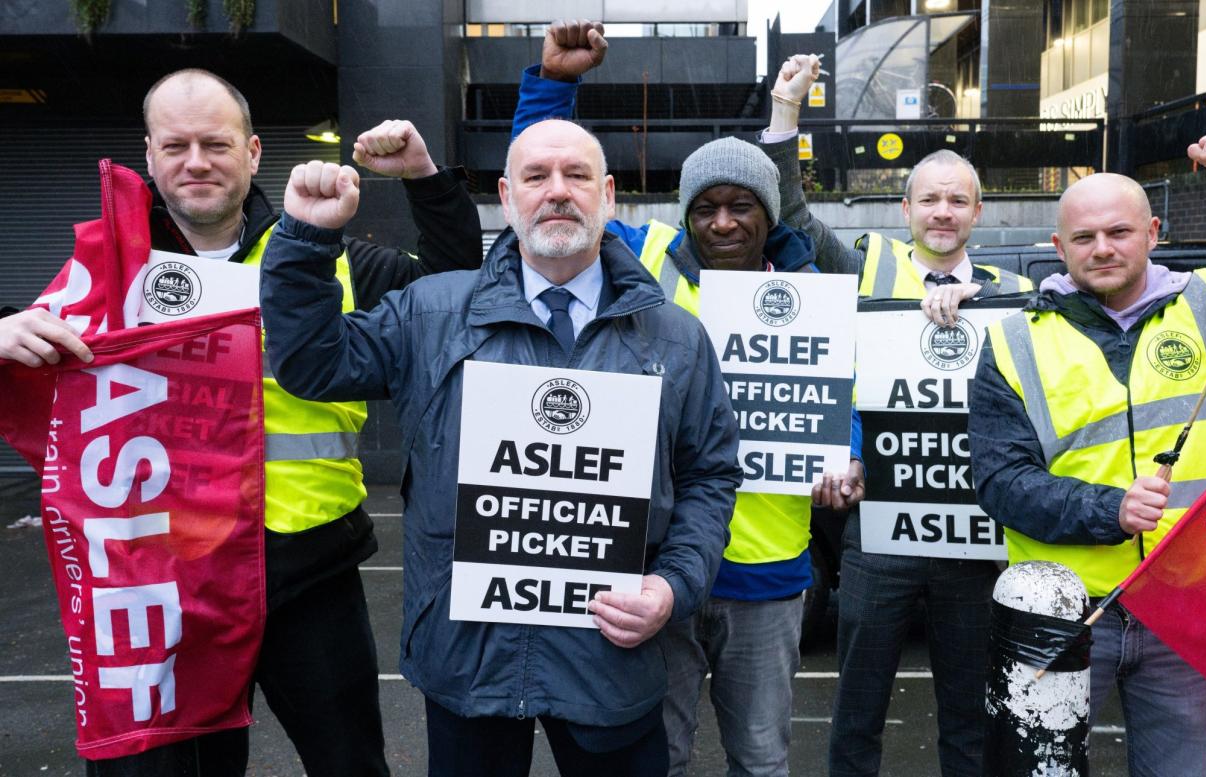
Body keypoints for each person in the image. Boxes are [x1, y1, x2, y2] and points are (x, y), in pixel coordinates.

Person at [0, 69, 482, 776]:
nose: (196, 161)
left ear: (254, 152)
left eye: (216, 144)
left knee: (352, 764)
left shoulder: (331, 252)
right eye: (176, 145)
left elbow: (455, 286)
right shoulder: (106, 265)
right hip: (167, 585)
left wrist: (422, 177)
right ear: (149, 155)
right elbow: (33, 354)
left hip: (309, 572)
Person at [259, 118, 742, 777]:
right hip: (468, 660)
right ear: (506, 197)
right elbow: (311, 364)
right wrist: (306, 240)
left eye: (576, 175)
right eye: (536, 177)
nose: (557, 191)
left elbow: (710, 475)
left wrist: (673, 583)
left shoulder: (678, 338)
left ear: (608, 195)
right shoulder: (429, 311)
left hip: (612, 662)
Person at [513, 22, 864, 776]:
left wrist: (848, 455)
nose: (724, 222)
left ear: (770, 213)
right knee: (658, 758)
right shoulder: (637, 262)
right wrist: (551, 84)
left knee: (762, 759)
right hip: (652, 568)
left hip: (766, 573)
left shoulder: (808, 293)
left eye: (743, 205)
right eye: (706, 207)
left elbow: (842, 401)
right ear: (685, 213)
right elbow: (550, 193)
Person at [759, 52, 1034, 777]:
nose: (943, 211)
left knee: (970, 720)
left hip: (977, 537)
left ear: (979, 210)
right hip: (878, 531)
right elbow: (788, 213)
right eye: (929, 199)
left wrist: (988, 312)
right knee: (857, 715)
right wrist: (787, 112)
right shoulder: (866, 267)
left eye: (958, 199)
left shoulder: (1015, 290)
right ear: (905, 208)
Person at [970, 128, 1206, 775]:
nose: (1102, 248)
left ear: (1153, 232)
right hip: (1061, 614)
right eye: (1084, 238)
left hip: (1185, 606)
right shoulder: (1012, 340)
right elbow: (999, 481)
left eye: (1119, 232)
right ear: (1058, 247)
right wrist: (1110, 509)